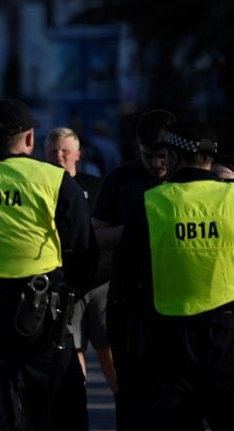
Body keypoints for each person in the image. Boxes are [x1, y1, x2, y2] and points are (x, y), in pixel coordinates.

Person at [0, 99, 97, 431]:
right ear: (29, 139)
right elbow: (83, 248)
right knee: (60, 411)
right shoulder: (54, 180)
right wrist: (71, 291)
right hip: (44, 317)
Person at [120, 121, 234, 429]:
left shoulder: (152, 202)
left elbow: (128, 275)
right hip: (226, 333)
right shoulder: (231, 199)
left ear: (173, 156)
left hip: (168, 336)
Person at [91, 109, 187, 430]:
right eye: (149, 156)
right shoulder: (121, 180)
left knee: (178, 396)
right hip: (130, 304)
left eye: (163, 157)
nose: (157, 164)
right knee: (132, 392)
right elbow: (97, 234)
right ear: (137, 147)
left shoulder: (189, 182)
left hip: (179, 304)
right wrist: (134, 230)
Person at [44, 127, 117, 394]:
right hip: (65, 285)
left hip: (100, 284)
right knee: (73, 349)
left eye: (65, 150)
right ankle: (78, 407)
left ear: (78, 154)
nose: (59, 156)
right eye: (53, 151)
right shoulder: (38, 190)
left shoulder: (98, 187)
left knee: (108, 348)